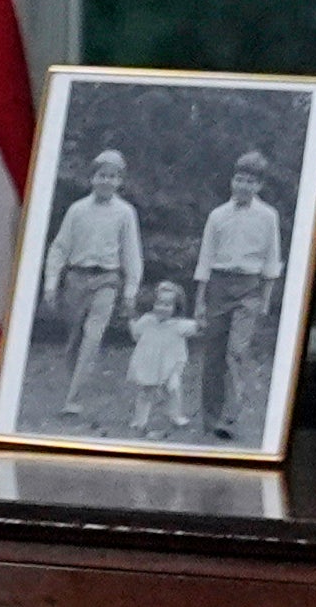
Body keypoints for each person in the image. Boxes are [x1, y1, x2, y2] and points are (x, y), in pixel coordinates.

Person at [192, 146, 287, 443]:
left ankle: (229, 419)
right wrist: (200, 300)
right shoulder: (218, 215)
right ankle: (210, 418)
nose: (243, 185)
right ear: (232, 181)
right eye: (239, 179)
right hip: (219, 287)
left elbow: (272, 260)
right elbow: (206, 259)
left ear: (259, 185)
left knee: (237, 351)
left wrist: (266, 298)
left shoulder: (268, 216)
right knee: (214, 356)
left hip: (249, 289)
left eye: (250, 181)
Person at [44, 151, 148, 421]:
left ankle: (73, 400)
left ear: (119, 181)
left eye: (113, 177)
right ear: (92, 178)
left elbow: (131, 254)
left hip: (107, 280)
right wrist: (51, 283)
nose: (106, 181)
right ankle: (73, 385)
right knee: (75, 341)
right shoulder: (77, 210)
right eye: (102, 175)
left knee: (93, 337)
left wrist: (130, 292)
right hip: (77, 278)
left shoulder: (125, 213)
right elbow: (60, 248)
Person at [124, 278, 201, 438]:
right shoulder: (147, 320)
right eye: (159, 303)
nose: (162, 308)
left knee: (172, 387)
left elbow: (197, 327)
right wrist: (130, 318)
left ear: (175, 307)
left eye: (167, 305)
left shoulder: (179, 325)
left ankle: (176, 416)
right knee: (146, 391)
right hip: (150, 363)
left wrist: (202, 319)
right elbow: (136, 334)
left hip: (172, 364)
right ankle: (140, 420)